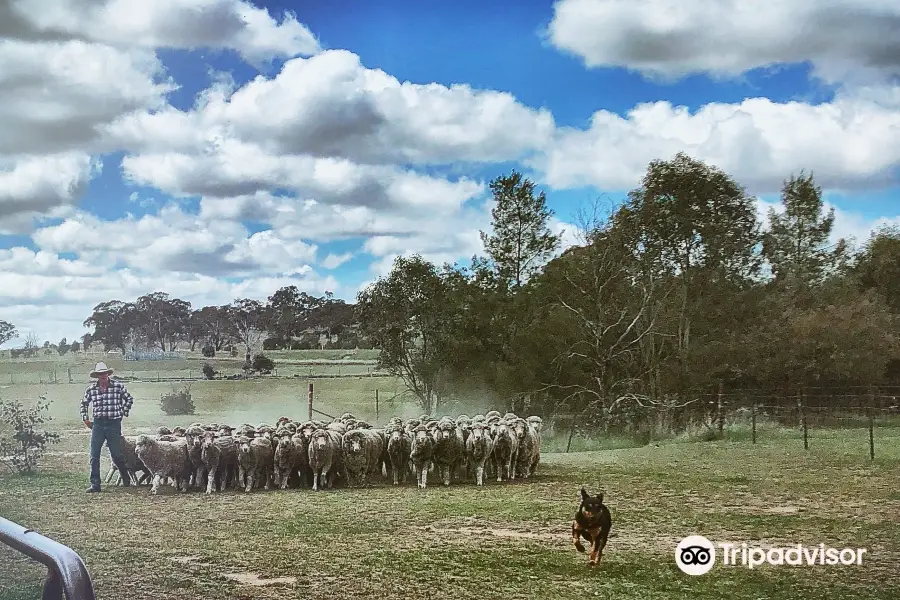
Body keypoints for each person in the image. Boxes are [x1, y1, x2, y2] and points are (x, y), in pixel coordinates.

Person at [80, 361, 135, 493]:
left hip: (113, 424)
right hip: (98, 424)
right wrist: (85, 419)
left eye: (104, 373)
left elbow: (129, 399)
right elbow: (84, 404)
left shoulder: (117, 386)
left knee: (116, 454)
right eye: (100, 374)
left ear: (108, 374)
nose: (103, 376)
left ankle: (124, 475)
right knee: (94, 455)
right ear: (97, 376)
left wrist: (123, 412)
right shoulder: (91, 389)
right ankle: (95, 484)